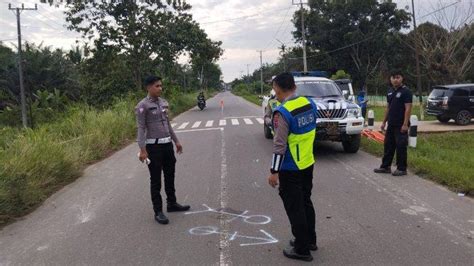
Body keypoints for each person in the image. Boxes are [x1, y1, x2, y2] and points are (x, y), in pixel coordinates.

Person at [267, 72, 318, 262]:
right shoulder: (308, 103)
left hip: (291, 167)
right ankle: (310, 240)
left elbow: (279, 146)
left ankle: (302, 249)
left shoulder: (283, 112)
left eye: (275, 90)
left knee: (295, 208)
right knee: (306, 202)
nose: (275, 93)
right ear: (294, 87)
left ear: (278, 89)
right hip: (307, 162)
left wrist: (274, 172)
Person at [135, 75, 190, 225]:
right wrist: (142, 149)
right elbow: (140, 128)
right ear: (148, 87)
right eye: (157, 86)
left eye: (161, 86)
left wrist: (176, 141)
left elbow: (168, 124)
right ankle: (158, 211)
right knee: (156, 180)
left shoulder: (164, 103)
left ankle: (172, 203)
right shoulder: (142, 106)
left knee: (170, 175)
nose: (160, 88)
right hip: (153, 147)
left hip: (167, 146)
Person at [374, 70, 413, 176]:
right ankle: (385, 167)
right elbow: (388, 108)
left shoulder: (406, 92)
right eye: (393, 77)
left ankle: (402, 168)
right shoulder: (390, 91)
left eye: (398, 77)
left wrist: (405, 124)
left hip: (401, 125)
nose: (395, 80)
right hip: (391, 124)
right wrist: (383, 122)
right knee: (388, 145)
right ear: (390, 79)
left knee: (401, 146)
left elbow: (408, 108)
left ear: (402, 79)